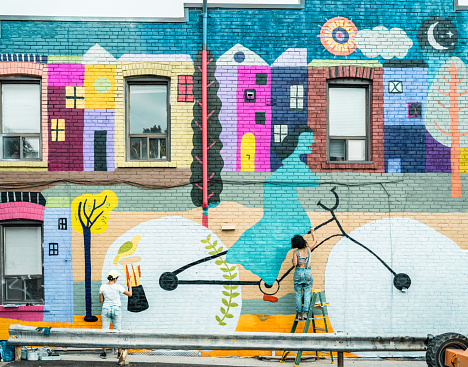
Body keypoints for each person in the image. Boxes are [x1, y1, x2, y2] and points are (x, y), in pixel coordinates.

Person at [99, 270, 132, 363]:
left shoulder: (102, 287)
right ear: (115, 278)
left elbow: (101, 301)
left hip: (106, 309)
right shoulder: (118, 287)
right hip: (116, 309)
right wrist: (130, 285)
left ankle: (104, 353)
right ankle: (119, 353)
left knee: (104, 331)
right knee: (118, 331)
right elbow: (130, 294)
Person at [291, 228, 317, 321]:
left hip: (298, 272)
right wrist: (312, 232)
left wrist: (294, 260)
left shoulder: (295, 252)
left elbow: (294, 264)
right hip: (307, 273)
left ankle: (299, 314)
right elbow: (315, 241)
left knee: (298, 294)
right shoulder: (308, 249)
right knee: (307, 293)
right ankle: (306, 313)